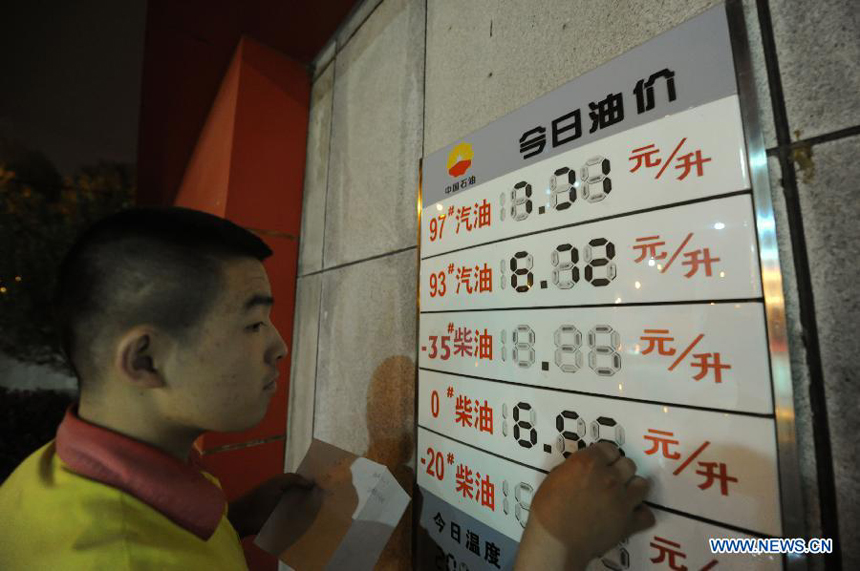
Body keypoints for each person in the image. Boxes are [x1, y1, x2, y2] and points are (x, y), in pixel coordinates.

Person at [0, 207, 653, 570]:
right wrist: (554, 543)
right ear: (144, 357)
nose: (279, 343)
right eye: (253, 320)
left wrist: (228, 522)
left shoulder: (44, 482)